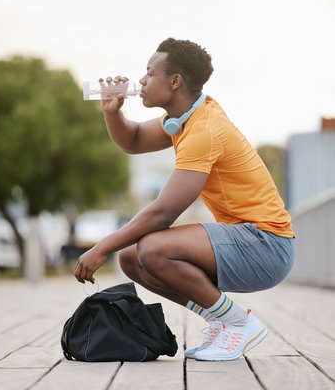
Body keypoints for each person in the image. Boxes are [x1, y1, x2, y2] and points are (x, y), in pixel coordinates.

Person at [74, 37, 295, 361]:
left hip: (266, 245)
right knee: (132, 257)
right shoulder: (184, 120)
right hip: (247, 239)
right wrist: (112, 111)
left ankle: (238, 323)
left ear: (175, 81)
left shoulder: (204, 130)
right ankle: (219, 320)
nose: (142, 82)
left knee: (153, 248)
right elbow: (133, 139)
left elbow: (164, 212)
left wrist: (102, 246)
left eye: (150, 74)